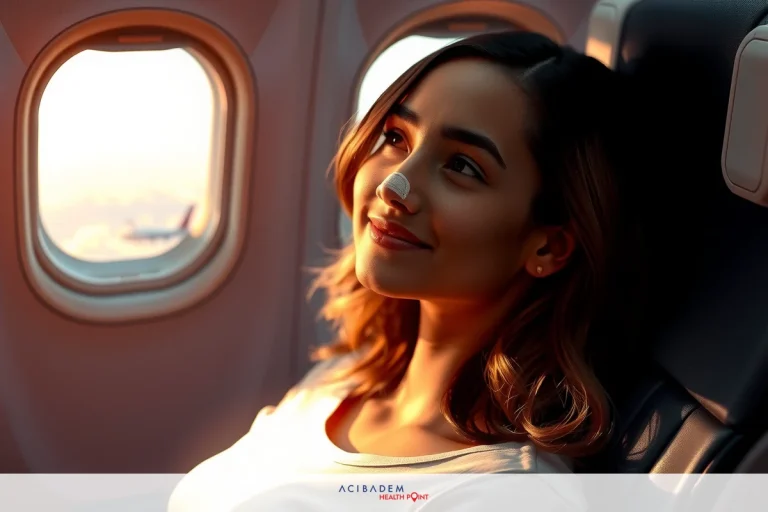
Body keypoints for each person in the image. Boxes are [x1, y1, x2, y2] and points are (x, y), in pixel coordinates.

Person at [168, 30, 639, 511]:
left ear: (548, 246)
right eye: (396, 137)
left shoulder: (505, 496)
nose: (394, 184)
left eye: (462, 166)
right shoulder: (342, 380)